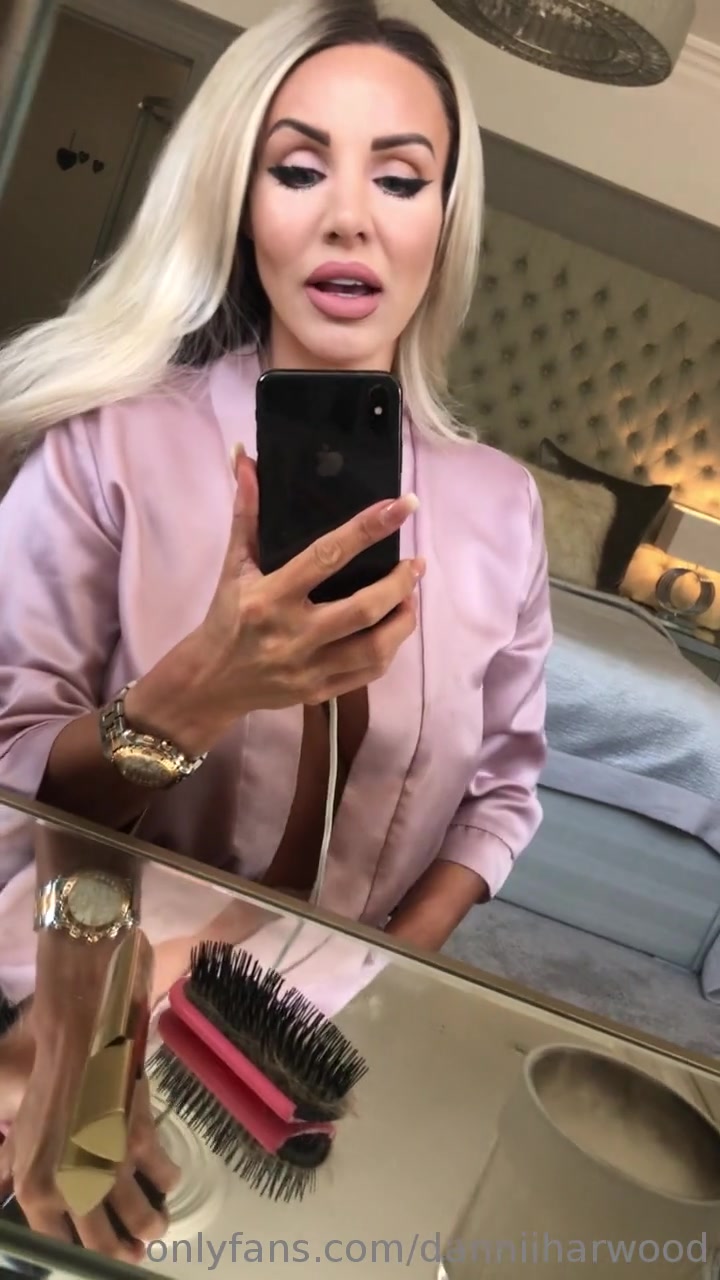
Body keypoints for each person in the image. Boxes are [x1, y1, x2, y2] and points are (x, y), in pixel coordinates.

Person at [0, 0, 551, 958]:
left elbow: (501, 794)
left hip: (332, 1015)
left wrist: (388, 975)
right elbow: (13, 768)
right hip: (87, 986)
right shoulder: (107, 448)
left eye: (400, 179)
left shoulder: (504, 508)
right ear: (243, 203)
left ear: (447, 217)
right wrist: (197, 694)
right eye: (298, 170)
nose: (349, 220)